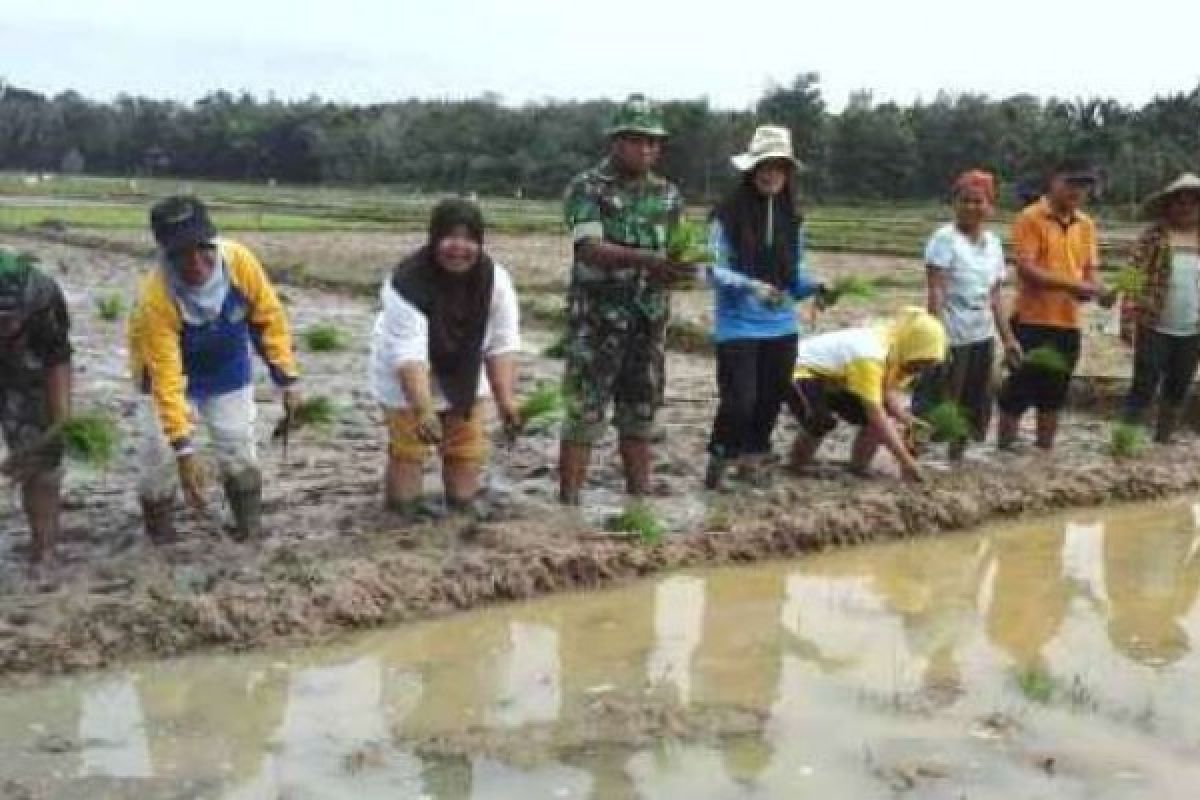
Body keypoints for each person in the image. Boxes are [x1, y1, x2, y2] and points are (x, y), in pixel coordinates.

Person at [129, 196, 301, 542]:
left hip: (225, 367)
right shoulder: (155, 298)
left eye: (202, 247)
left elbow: (268, 316)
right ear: (165, 252)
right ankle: (160, 533)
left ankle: (248, 526)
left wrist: (287, 378)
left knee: (237, 447)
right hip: (166, 374)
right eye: (181, 253)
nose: (195, 261)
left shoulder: (238, 261)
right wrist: (183, 451)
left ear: (213, 239)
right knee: (158, 453)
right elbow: (166, 378)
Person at [557, 95, 695, 505]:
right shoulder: (587, 187)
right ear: (616, 141)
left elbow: (677, 250)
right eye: (637, 140)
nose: (646, 148)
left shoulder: (668, 195)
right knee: (584, 410)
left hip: (648, 322)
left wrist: (681, 268)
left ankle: (639, 497)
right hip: (597, 322)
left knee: (640, 412)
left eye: (653, 142)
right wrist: (646, 259)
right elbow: (588, 246)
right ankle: (569, 501)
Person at [369, 198, 521, 516]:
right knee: (410, 449)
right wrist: (423, 410)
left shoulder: (495, 281)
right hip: (405, 374)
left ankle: (458, 513)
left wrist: (506, 401)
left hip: (464, 368)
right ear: (434, 238)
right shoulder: (406, 282)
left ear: (479, 242)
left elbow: (501, 345)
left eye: (468, 238)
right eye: (449, 237)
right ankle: (401, 519)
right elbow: (409, 354)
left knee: (465, 453)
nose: (458, 247)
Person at [704, 125, 828, 489]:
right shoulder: (725, 217)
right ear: (751, 169)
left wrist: (817, 287)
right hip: (738, 325)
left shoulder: (794, 219)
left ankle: (752, 460)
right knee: (740, 401)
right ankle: (720, 457)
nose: (772, 173)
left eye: (779, 166)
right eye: (765, 165)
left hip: (782, 326)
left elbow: (793, 276)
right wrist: (751, 286)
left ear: (788, 172)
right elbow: (713, 270)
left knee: (770, 399)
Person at [995, 158, 1113, 451]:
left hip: (1068, 323)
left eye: (1084, 184)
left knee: (1055, 394)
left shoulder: (1086, 225)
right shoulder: (1031, 217)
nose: (1077, 190)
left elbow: (1089, 274)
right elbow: (1028, 270)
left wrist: (1099, 292)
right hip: (1031, 321)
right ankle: (1005, 451)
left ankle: (1043, 455)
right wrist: (1078, 285)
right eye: (1071, 182)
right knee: (1018, 392)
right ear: (1053, 181)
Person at [913, 169, 1020, 459]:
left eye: (979, 201)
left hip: (981, 334)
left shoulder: (994, 244)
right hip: (952, 333)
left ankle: (955, 460)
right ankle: (912, 458)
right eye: (965, 200)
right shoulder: (944, 239)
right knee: (936, 399)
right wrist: (935, 338)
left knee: (974, 402)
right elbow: (936, 290)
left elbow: (995, 297)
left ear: (990, 206)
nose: (972, 206)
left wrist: (1008, 339)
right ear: (955, 203)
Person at [786, 307, 946, 482]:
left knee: (878, 420)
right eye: (922, 361)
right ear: (913, 347)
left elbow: (886, 393)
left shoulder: (899, 355)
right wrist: (907, 462)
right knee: (820, 420)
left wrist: (909, 421)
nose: (922, 368)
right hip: (798, 370)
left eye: (929, 363)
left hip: (834, 380)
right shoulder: (871, 356)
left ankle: (859, 467)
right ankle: (797, 464)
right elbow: (876, 413)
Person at [0, 247, 72, 566]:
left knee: (43, 460)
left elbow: (56, 358)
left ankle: (44, 551)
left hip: (23, 366)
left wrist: (60, 426)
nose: (6, 325)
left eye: (11, 317)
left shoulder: (43, 295)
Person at [1119, 173, 1200, 443]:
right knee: (1143, 386)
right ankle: (1125, 444)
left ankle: (1163, 441)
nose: (1186, 208)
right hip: (1153, 324)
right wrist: (1127, 318)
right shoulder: (1153, 236)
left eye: (1193, 202)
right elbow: (1132, 274)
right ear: (1169, 205)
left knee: (1178, 388)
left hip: (1192, 328)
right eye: (1180, 202)